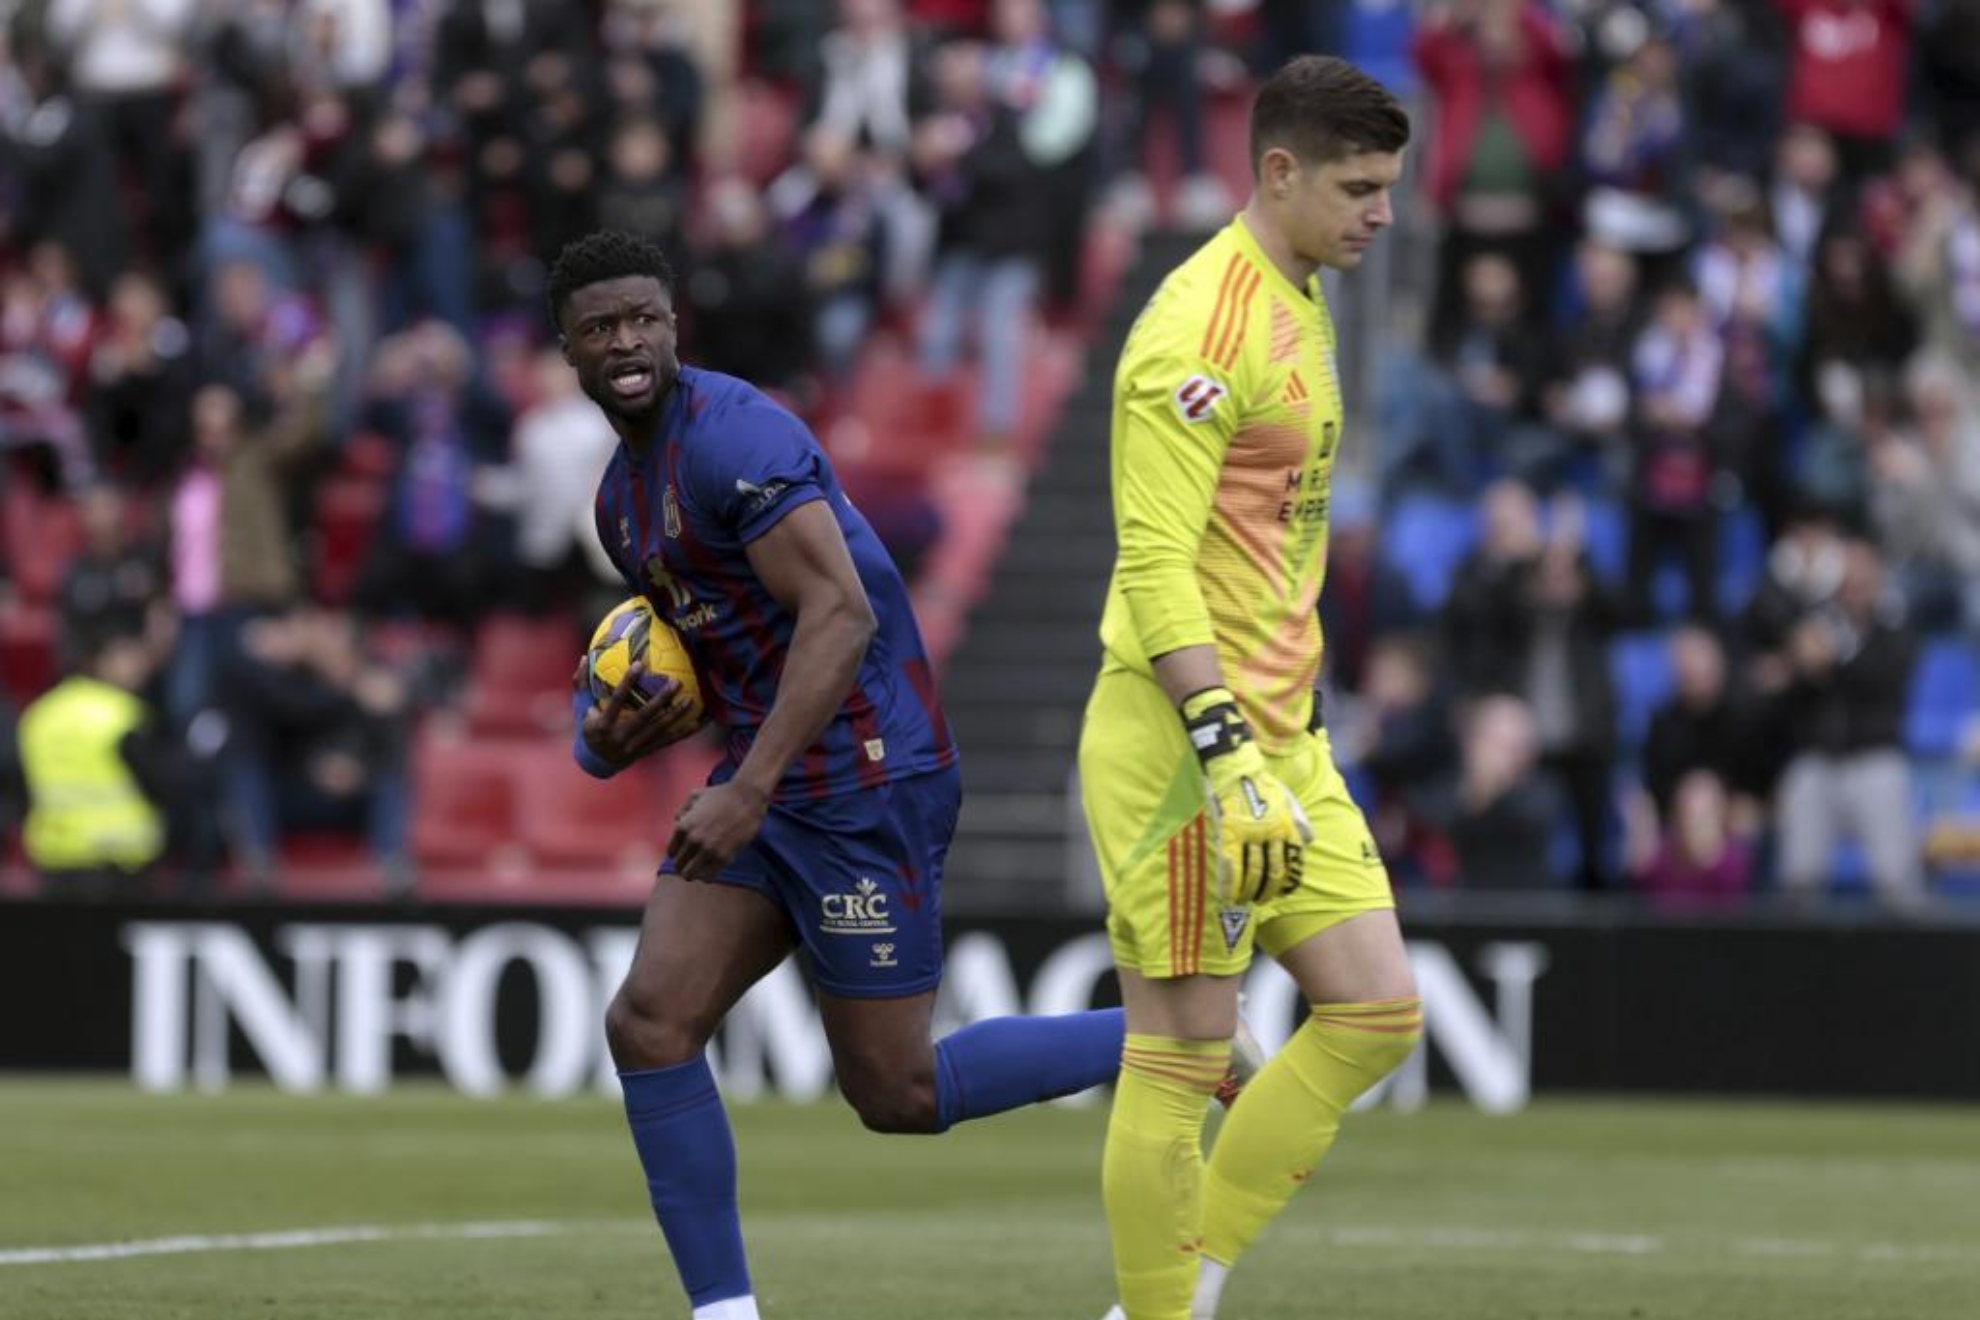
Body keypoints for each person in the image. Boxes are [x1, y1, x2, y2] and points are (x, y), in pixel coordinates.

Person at [550, 230, 1150, 1320]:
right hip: (773, 779)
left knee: (896, 1091)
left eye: (642, 317)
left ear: (674, 322)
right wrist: (609, 743)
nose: (626, 341)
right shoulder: (619, 505)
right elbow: (716, 657)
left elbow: (840, 612)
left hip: (868, 776)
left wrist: (746, 789)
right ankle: (724, 1316)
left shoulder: (738, 438)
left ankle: (1173, 1037)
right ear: (570, 350)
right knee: (648, 1022)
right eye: (600, 328)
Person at [1079, 57, 1421, 1320]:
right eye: (1359, 187)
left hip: (1286, 737)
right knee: (1176, 1057)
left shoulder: (1303, 291)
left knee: (1377, 1014)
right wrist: (1224, 749)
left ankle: (1190, 1283)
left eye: (1388, 187)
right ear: (1277, 171)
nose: (1382, 212)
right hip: (1187, 744)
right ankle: (1159, 1311)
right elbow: (1156, 561)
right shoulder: (1197, 333)